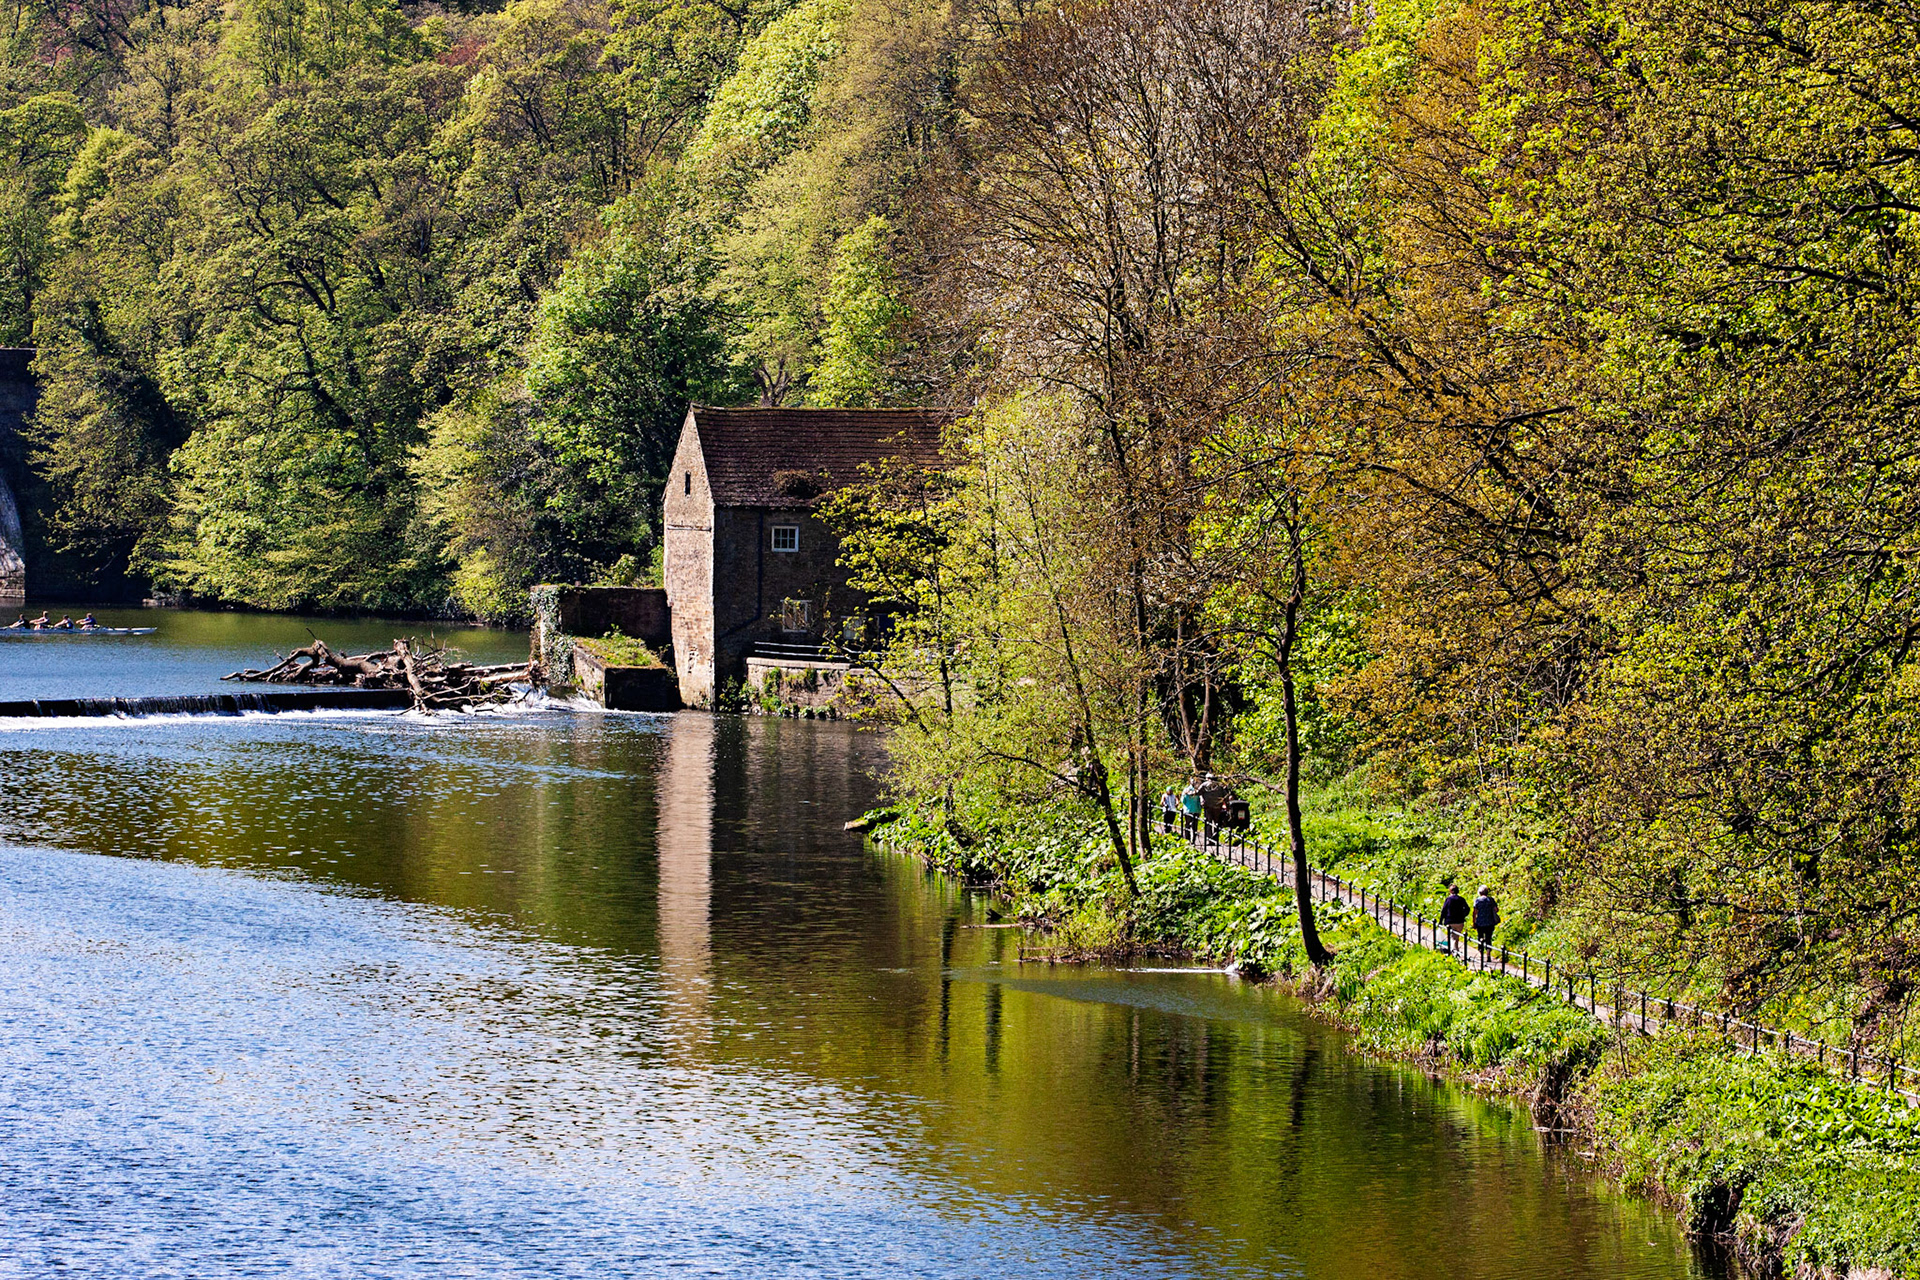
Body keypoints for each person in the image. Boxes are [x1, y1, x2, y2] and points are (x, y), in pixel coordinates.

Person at [1472, 885, 1500, 962]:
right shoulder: (1491, 900)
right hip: (1490, 922)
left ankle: (1481, 955)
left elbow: (1475, 912)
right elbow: (1496, 909)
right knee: (1488, 938)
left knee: (1480, 937)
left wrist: (1474, 922)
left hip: (1480, 922)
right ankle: (1488, 954)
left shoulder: (1477, 900)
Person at [1439, 884, 1469, 954]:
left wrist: (1441, 920)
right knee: (1456, 937)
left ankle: (1453, 951)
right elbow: (1467, 909)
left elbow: (1444, 910)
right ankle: (1456, 950)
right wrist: (1463, 915)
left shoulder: (1448, 899)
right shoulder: (1461, 899)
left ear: (1450, 891)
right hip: (1459, 921)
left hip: (1450, 921)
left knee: (1452, 937)